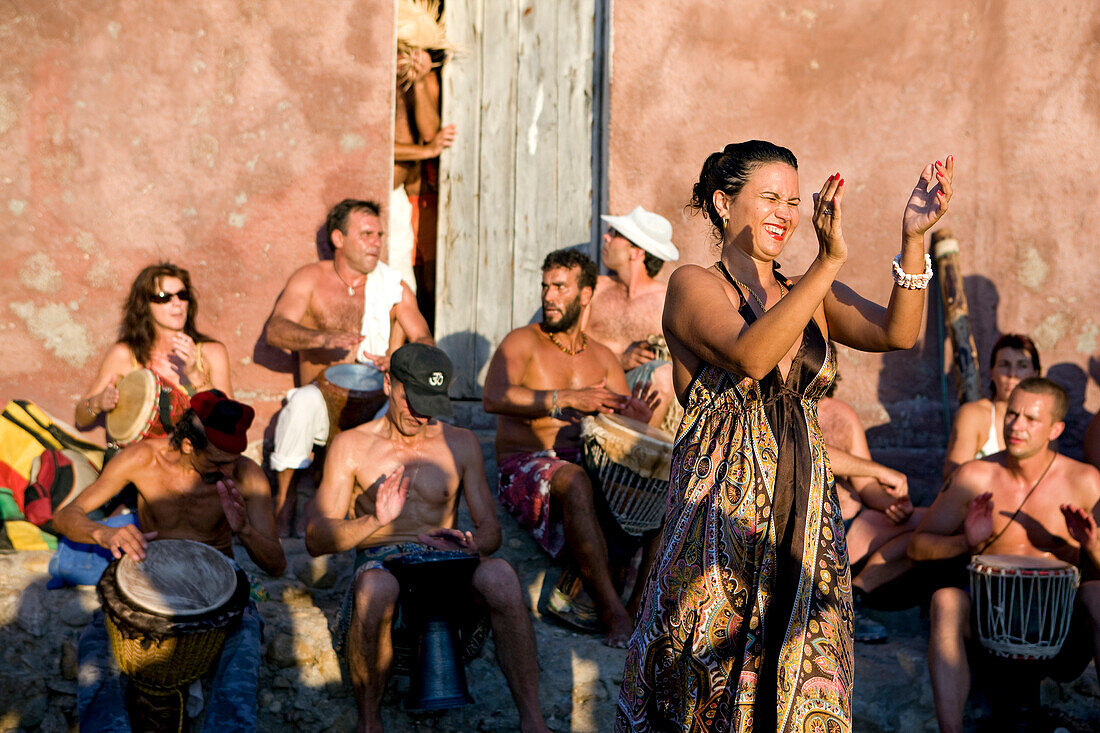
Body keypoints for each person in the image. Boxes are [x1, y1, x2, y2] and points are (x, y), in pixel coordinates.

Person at [616, 140, 953, 732]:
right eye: (769, 197)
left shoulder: (809, 291)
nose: (786, 213)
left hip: (805, 513)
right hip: (720, 518)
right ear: (723, 204)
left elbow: (898, 331)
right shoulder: (694, 285)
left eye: (794, 201)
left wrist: (914, 239)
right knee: (705, 687)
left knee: (799, 681)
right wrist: (828, 263)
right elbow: (751, 356)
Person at [305, 344, 548, 733]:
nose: (419, 414)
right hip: (381, 561)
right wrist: (374, 520)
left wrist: (470, 546)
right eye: (411, 400)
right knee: (376, 587)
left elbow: (492, 532)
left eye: (429, 403)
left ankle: (533, 722)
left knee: (501, 575)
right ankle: (370, 724)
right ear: (389, 384)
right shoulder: (351, 446)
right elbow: (316, 538)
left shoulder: (461, 442)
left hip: (444, 566)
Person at [53, 390, 286, 731]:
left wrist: (246, 530)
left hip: (219, 590)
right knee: (95, 647)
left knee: (245, 644)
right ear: (189, 445)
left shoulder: (246, 474)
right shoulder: (141, 459)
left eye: (234, 459)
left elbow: (277, 564)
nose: (228, 469)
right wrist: (102, 534)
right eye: (219, 461)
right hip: (149, 587)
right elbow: (65, 517)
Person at [482, 248, 658, 648]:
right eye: (545, 286)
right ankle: (611, 612)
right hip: (527, 464)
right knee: (577, 481)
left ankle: (635, 612)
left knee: (662, 496)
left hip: (585, 464)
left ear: (585, 295)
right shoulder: (522, 342)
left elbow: (618, 436)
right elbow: (493, 397)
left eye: (560, 287)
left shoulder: (604, 359)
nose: (548, 296)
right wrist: (565, 398)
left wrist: (635, 420)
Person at [909, 378, 1100, 733]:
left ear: (1056, 429)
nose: (1016, 425)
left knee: (1096, 594)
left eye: (1031, 418)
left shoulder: (1085, 482)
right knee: (946, 600)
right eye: (1012, 413)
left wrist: (1091, 545)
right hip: (989, 631)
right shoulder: (975, 476)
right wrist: (965, 542)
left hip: (1060, 639)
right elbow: (916, 547)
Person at [264, 198, 433, 536]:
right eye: (367, 234)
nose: (377, 243)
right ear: (338, 239)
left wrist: (401, 361)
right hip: (321, 403)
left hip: (374, 404)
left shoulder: (393, 287)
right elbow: (276, 330)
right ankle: (285, 501)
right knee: (300, 405)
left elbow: (425, 340)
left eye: (380, 235)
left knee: (404, 411)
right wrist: (323, 338)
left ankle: (356, 507)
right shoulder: (310, 279)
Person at [819, 377, 925, 642]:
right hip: (807, 533)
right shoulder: (777, 408)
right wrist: (879, 470)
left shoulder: (840, 413)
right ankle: (835, 606)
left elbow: (865, 484)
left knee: (928, 524)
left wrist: (892, 504)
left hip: (850, 527)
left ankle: (853, 595)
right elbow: (815, 453)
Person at [76, 262, 233, 440]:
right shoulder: (126, 354)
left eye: (182, 295)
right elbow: (81, 418)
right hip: (141, 460)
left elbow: (230, 422)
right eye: (163, 297)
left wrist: (196, 374)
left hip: (195, 461)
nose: (177, 303)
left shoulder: (212, 352)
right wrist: (98, 402)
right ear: (144, 305)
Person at [585, 206, 680, 430]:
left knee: (664, 375)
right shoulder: (594, 289)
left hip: (639, 404)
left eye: (615, 234)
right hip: (588, 386)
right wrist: (619, 360)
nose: (605, 237)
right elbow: (571, 342)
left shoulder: (667, 300)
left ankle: (638, 455)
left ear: (635, 252)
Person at [391, 0, 458, 295]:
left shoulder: (425, 79)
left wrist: (418, 83)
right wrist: (426, 152)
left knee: (408, 282)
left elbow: (431, 131)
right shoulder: (374, 80)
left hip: (405, 198)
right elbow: (377, 148)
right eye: (402, 48)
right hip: (385, 197)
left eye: (412, 49)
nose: (407, 56)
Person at [943, 333, 1041, 478]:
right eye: (1004, 365)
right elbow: (953, 478)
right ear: (992, 372)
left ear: (1036, 373)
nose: (1012, 374)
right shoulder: (974, 415)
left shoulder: (1043, 419)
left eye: (1022, 366)